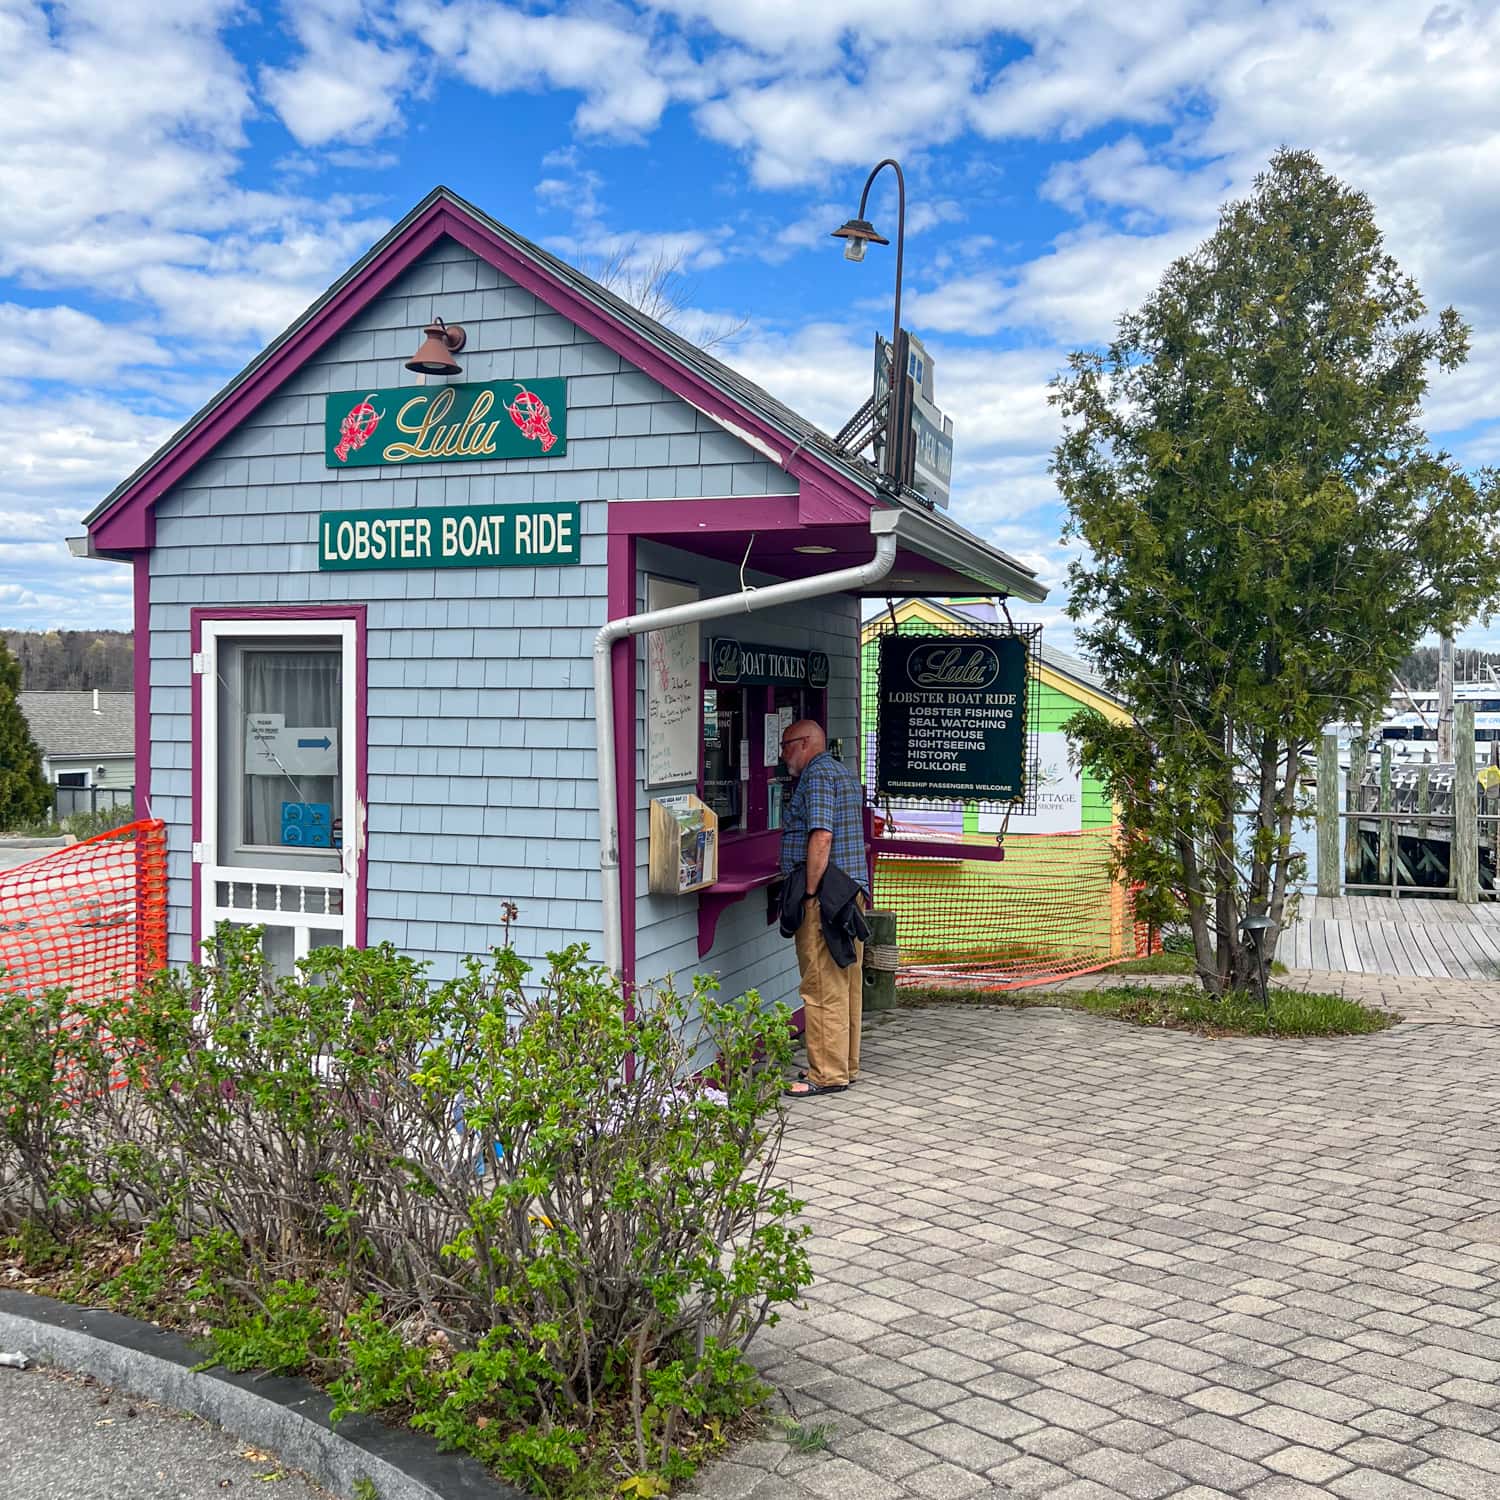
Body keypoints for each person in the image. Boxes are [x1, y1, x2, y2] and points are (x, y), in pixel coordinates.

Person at [777, 720, 869, 1098]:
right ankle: (844, 1064)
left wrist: (810, 893)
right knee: (846, 981)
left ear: (803, 744)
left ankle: (826, 1073)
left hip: (827, 895)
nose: (781, 756)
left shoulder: (815, 777)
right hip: (850, 892)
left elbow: (822, 835)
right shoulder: (841, 772)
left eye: (784, 747)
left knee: (819, 983)